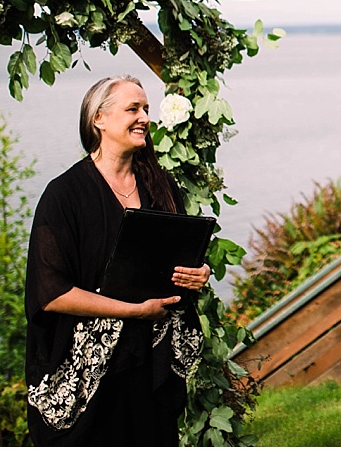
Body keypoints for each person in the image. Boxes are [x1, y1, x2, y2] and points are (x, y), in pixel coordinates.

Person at [24, 75, 212, 446]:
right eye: (132, 109)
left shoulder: (160, 185)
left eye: (145, 108)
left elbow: (178, 259)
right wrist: (133, 311)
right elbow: (51, 293)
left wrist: (198, 272)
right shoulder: (63, 196)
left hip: (149, 366)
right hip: (89, 380)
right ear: (99, 119)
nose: (144, 116)